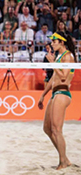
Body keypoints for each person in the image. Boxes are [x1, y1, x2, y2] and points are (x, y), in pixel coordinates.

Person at [38, 31, 76, 170]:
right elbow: (54, 78)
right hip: (55, 92)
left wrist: (53, 63)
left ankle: (63, 161)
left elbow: (64, 77)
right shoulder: (60, 57)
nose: (52, 43)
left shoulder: (68, 56)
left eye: (54, 41)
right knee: (47, 128)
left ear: (62, 42)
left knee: (56, 129)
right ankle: (64, 159)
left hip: (62, 92)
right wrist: (43, 95)